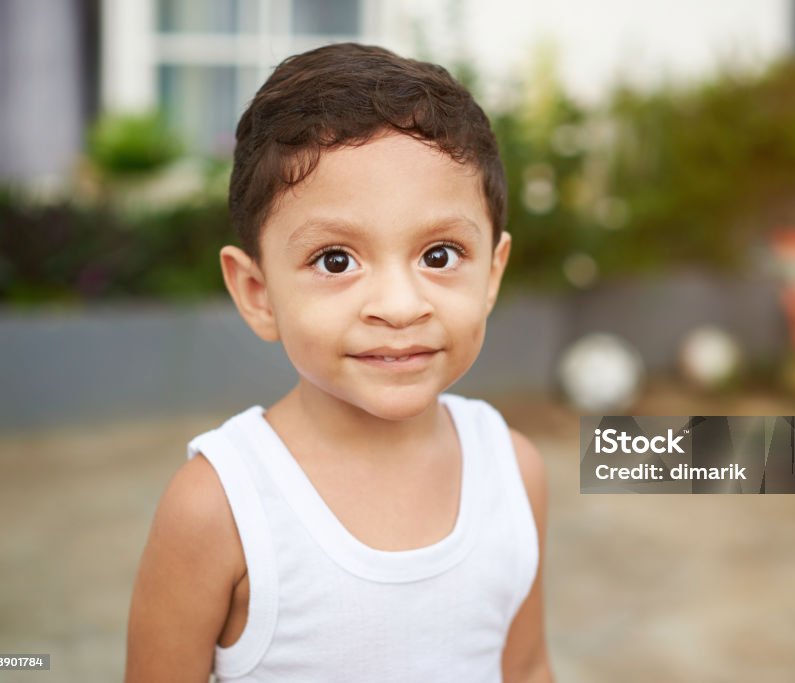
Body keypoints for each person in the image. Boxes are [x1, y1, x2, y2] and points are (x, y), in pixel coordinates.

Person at [125, 43, 552, 682]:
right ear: (257, 293)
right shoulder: (220, 507)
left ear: (493, 272)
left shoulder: (514, 471)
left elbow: (525, 670)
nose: (400, 306)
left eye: (439, 255)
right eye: (335, 260)